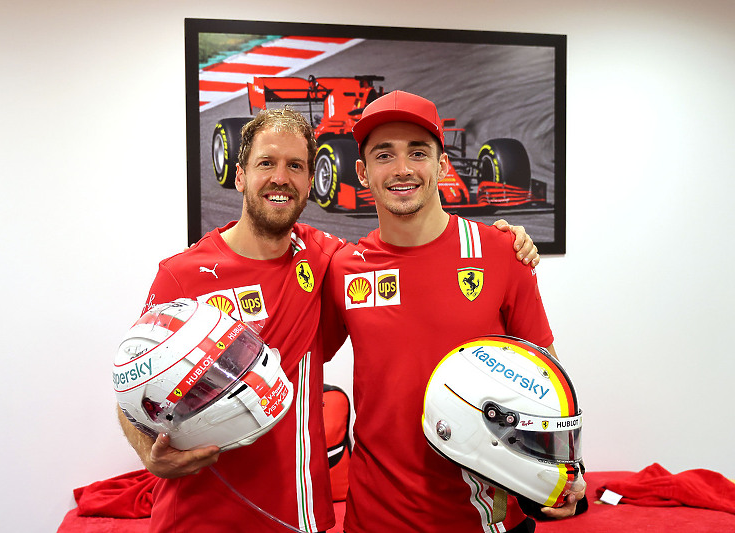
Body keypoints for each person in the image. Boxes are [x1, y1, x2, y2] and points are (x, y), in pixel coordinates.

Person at [117, 106, 540, 533]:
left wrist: (505, 243)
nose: (281, 177)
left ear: (309, 182)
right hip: (198, 521)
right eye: (266, 162)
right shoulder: (182, 274)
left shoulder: (327, 260)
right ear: (240, 175)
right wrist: (150, 455)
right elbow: (129, 390)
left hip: (302, 517)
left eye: (296, 166)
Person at [321, 90, 585, 533]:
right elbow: (298, 359)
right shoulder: (344, 268)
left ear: (442, 165)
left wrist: (565, 471)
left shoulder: (502, 252)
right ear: (363, 173)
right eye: (384, 155)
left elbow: (546, 374)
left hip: (488, 518)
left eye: (418, 153)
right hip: (377, 519)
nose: (402, 169)